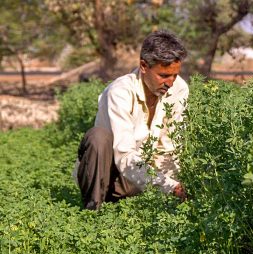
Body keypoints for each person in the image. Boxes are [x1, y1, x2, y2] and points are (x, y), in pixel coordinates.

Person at [73, 30, 189, 210]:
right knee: (98, 137)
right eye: (164, 75)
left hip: (140, 176)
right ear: (144, 66)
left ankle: (138, 201)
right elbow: (124, 156)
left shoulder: (179, 89)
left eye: (174, 75)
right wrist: (169, 186)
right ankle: (92, 209)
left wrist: (178, 185)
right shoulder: (120, 92)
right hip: (109, 175)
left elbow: (172, 145)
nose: (170, 82)